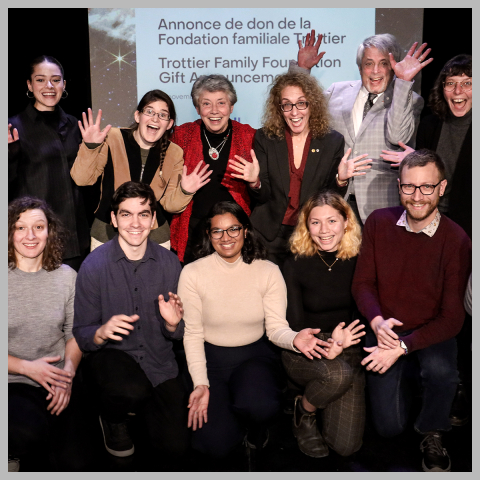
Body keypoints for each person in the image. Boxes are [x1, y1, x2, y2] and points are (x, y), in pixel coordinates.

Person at [178, 201, 333, 462]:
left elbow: (275, 329)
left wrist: (294, 339)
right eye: (217, 231)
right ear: (208, 234)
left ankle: (255, 425)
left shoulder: (268, 271)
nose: (225, 237)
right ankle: (231, 421)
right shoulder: (192, 273)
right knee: (213, 445)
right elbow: (192, 334)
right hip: (210, 360)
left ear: (246, 231)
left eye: (233, 229)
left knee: (258, 405)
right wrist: (201, 383)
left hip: (253, 357)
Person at [351, 150, 471, 472]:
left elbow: (452, 318)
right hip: (386, 330)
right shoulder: (378, 222)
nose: (417, 197)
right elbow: (362, 284)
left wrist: (403, 348)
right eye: (409, 187)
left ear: (441, 188)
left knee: (441, 373)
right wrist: (377, 323)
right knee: (388, 428)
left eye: (426, 187)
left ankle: (433, 430)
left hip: (431, 331)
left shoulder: (457, 240)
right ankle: (410, 379)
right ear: (399, 186)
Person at [72, 181, 189, 467]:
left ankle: (140, 411)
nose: (135, 223)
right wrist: (100, 332)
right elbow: (82, 334)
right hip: (113, 359)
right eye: (126, 214)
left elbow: (182, 333)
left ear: (152, 219)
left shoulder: (171, 264)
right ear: (113, 219)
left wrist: (173, 325)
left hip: (158, 362)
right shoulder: (93, 265)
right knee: (129, 391)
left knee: (177, 449)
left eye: (143, 214)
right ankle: (112, 418)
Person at [291, 31, 432, 225]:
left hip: (381, 205)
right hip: (336, 201)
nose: (375, 71)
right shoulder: (336, 91)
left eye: (383, 63)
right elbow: (297, 113)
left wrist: (404, 82)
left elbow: (397, 135)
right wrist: (302, 70)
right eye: (368, 63)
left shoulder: (409, 99)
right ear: (359, 67)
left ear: (393, 67)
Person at [237, 70, 371, 268]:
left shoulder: (332, 141)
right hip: (268, 234)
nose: (294, 112)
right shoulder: (265, 138)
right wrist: (254, 182)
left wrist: (341, 180)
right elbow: (262, 196)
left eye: (301, 103)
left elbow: (329, 199)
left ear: (312, 105)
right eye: (287, 105)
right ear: (279, 108)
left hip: (309, 234)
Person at [71, 89, 211, 251]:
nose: (155, 119)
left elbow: (170, 205)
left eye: (162, 115)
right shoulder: (113, 137)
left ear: (169, 124)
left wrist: (185, 191)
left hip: (154, 238)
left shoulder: (174, 152)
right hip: (107, 234)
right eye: (149, 112)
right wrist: (90, 147)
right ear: (138, 116)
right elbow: (81, 179)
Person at [282, 191, 365, 459]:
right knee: (337, 375)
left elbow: (366, 311)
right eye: (315, 222)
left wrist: (343, 343)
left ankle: (319, 397)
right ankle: (304, 410)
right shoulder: (295, 262)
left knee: (345, 446)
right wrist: (327, 344)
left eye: (332, 221)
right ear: (306, 226)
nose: (324, 230)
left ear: (346, 223)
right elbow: (295, 325)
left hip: (349, 347)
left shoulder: (360, 259)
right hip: (305, 346)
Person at [8, 196, 90, 471]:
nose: (30, 236)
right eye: (20, 228)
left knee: (74, 464)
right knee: (26, 436)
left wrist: (67, 374)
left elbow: (74, 333)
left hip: (57, 378)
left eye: (39, 227)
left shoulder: (66, 276)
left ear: (49, 232)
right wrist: (27, 368)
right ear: (9, 233)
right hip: (11, 379)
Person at [8, 55, 90, 271]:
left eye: (55, 80)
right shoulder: (13, 127)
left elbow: (87, 179)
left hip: (73, 237)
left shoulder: (75, 124)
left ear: (64, 84)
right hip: (33, 239)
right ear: (29, 84)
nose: (49, 86)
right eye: (40, 79)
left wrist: (93, 147)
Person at [381, 54, 472, 238]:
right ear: (442, 88)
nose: (457, 91)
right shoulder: (430, 124)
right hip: (431, 220)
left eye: (467, 83)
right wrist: (418, 162)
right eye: (450, 83)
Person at [169, 75, 256, 264]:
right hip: (193, 232)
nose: (214, 111)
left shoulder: (250, 137)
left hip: (235, 235)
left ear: (231, 107)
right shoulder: (180, 136)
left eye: (221, 103)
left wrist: (255, 182)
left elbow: (264, 193)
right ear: (197, 109)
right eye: (206, 104)